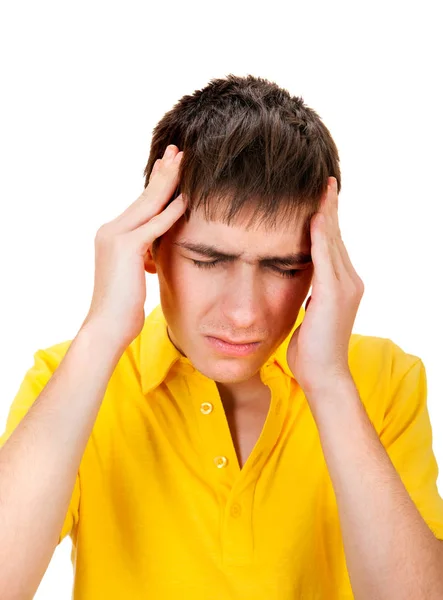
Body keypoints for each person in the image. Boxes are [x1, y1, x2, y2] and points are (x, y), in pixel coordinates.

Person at [0, 74, 442, 600]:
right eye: (208, 259)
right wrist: (100, 333)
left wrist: (329, 382)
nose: (243, 313)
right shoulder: (71, 380)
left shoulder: (383, 378)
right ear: (148, 247)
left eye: (283, 267)